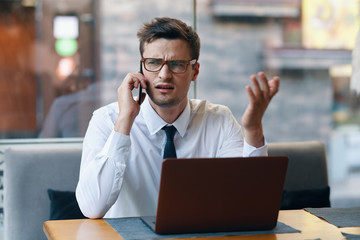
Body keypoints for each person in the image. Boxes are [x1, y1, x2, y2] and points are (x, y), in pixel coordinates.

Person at [76, 17, 280, 219]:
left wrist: (253, 130)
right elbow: (92, 207)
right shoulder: (106, 120)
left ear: (195, 71)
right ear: (141, 68)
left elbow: (248, 202)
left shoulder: (219, 120)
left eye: (177, 64)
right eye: (154, 62)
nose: (164, 74)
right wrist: (124, 121)